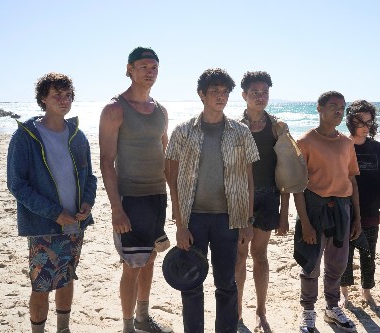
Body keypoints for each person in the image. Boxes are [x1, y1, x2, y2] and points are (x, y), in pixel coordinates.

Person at [166, 68, 259, 333]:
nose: (221, 97)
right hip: (193, 218)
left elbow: (249, 179)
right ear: (202, 95)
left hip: (228, 219)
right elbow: (171, 179)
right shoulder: (183, 131)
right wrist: (180, 225)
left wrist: (247, 221)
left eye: (224, 92)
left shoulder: (240, 132)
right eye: (215, 92)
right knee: (191, 281)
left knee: (226, 283)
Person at [7, 72, 97, 333]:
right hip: (43, 226)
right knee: (41, 284)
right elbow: (16, 184)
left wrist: (87, 203)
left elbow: (89, 176)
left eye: (68, 94)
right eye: (57, 94)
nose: (64, 99)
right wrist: (53, 212)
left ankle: (63, 329)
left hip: (75, 224)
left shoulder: (77, 135)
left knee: (67, 279)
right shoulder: (26, 136)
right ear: (43, 99)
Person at [99, 47, 172, 333]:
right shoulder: (115, 109)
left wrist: (175, 200)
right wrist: (117, 208)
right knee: (131, 265)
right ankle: (128, 326)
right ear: (129, 69)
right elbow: (106, 161)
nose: (149, 72)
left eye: (154, 67)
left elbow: (166, 155)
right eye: (143, 66)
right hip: (131, 197)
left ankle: (143, 317)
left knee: (150, 257)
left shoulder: (161, 110)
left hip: (157, 196)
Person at [294, 91, 361, 333]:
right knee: (310, 264)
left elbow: (352, 181)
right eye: (333, 106)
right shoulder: (305, 142)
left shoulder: (346, 143)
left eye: (342, 108)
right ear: (319, 108)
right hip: (314, 207)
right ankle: (308, 310)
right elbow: (297, 186)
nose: (338, 112)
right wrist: (306, 223)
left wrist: (357, 219)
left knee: (338, 264)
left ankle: (332, 307)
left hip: (342, 208)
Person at [235, 71, 290, 333]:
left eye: (264, 92)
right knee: (238, 255)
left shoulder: (277, 127)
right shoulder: (234, 127)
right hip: (238, 197)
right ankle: (236, 312)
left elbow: (288, 172)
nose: (260, 96)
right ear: (244, 95)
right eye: (254, 92)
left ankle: (260, 310)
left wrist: (285, 213)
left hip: (269, 196)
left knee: (260, 255)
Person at [339, 100, 380, 308]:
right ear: (351, 120)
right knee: (345, 255)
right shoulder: (342, 145)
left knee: (369, 254)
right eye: (361, 121)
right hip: (345, 212)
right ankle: (344, 293)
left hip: (370, 211)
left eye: (369, 121)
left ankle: (367, 292)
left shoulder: (377, 148)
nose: (365, 126)